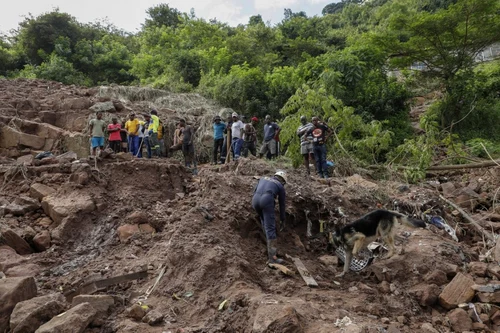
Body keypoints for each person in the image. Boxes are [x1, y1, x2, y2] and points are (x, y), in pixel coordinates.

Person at [252, 170, 288, 264]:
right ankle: (272, 258)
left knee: (264, 222)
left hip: (255, 200)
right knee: (270, 228)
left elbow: (255, 190)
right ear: (283, 181)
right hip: (266, 201)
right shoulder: (280, 186)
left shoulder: (263, 178)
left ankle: (267, 246)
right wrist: (282, 219)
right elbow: (282, 204)